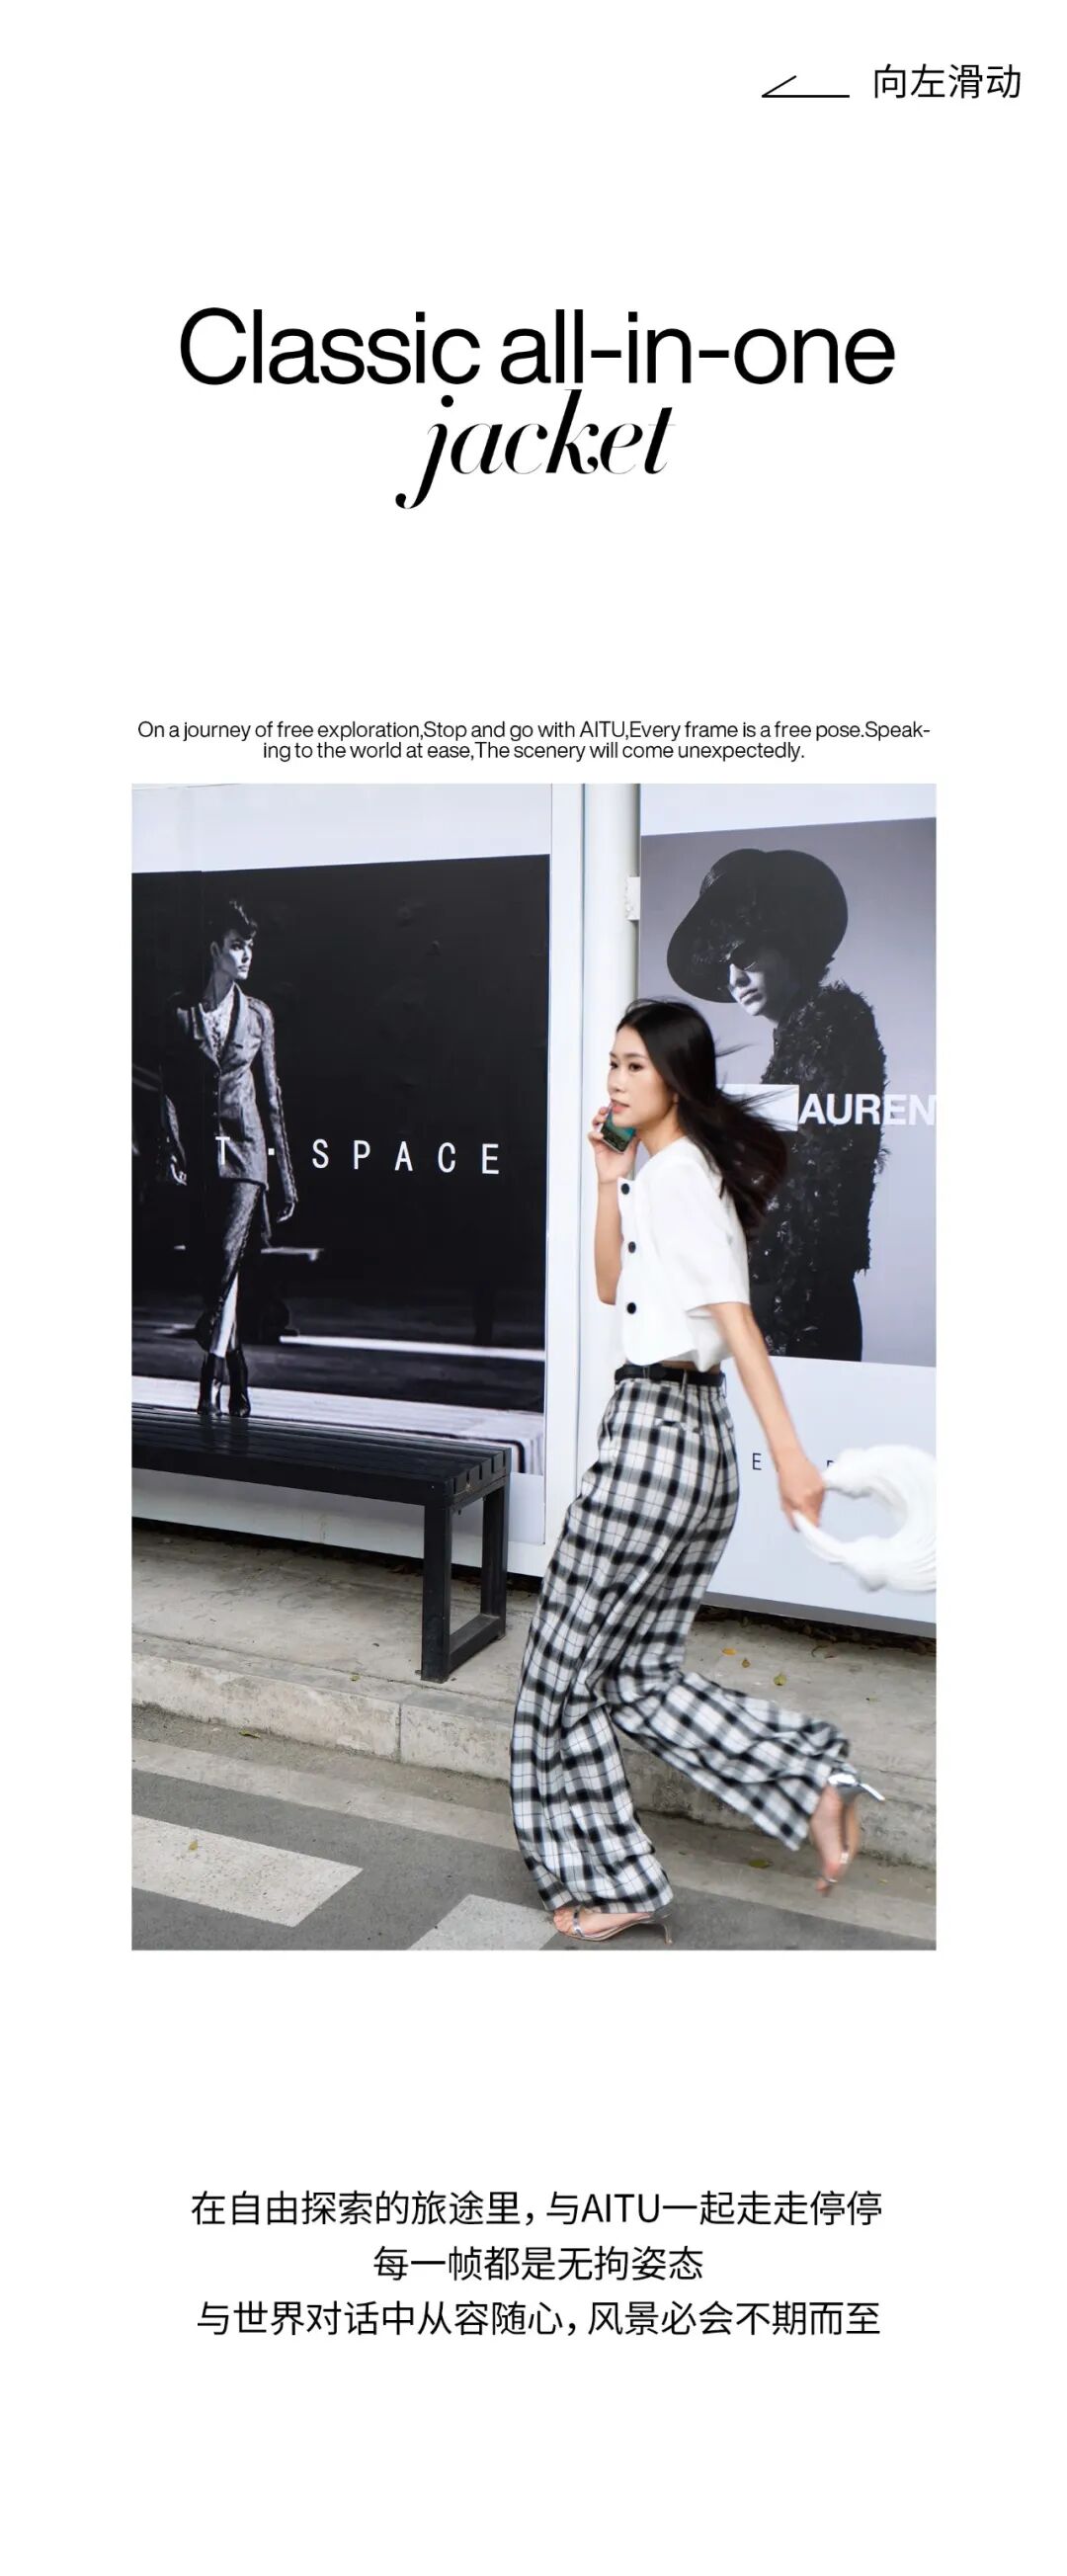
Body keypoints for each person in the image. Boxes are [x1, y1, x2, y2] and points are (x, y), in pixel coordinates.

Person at [509, 997, 882, 1944]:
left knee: (557, 1680)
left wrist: (792, 1456)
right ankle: (811, 1778)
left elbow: (738, 1324)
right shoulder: (663, 1173)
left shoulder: (680, 1179)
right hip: (688, 1444)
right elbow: (610, 1287)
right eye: (612, 1063)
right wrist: (608, 1180)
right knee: (634, 1677)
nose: (615, 1080)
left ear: (675, 1080)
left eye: (634, 1066)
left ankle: (615, 1877)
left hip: (655, 1441)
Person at [667, 846, 886, 1360]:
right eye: (725, 966)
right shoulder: (801, 1036)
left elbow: (819, 1163)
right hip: (781, 1291)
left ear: (789, 941)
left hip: (802, 1299)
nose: (734, 980)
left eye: (744, 956)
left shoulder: (834, 1021)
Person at [159, 899, 297, 1414]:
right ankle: (235, 1368)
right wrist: (170, 1146)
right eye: (237, 946)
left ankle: (208, 1363)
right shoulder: (181, 1013)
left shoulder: (259, 1015)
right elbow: (169, 1090)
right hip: (201, 1154)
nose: (246, 955)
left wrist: (284, 1175)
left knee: (225, 1251)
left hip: (247, 1155)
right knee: (216, 1262)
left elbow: (272, 1097)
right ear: (215, 950)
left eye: (250, 947)